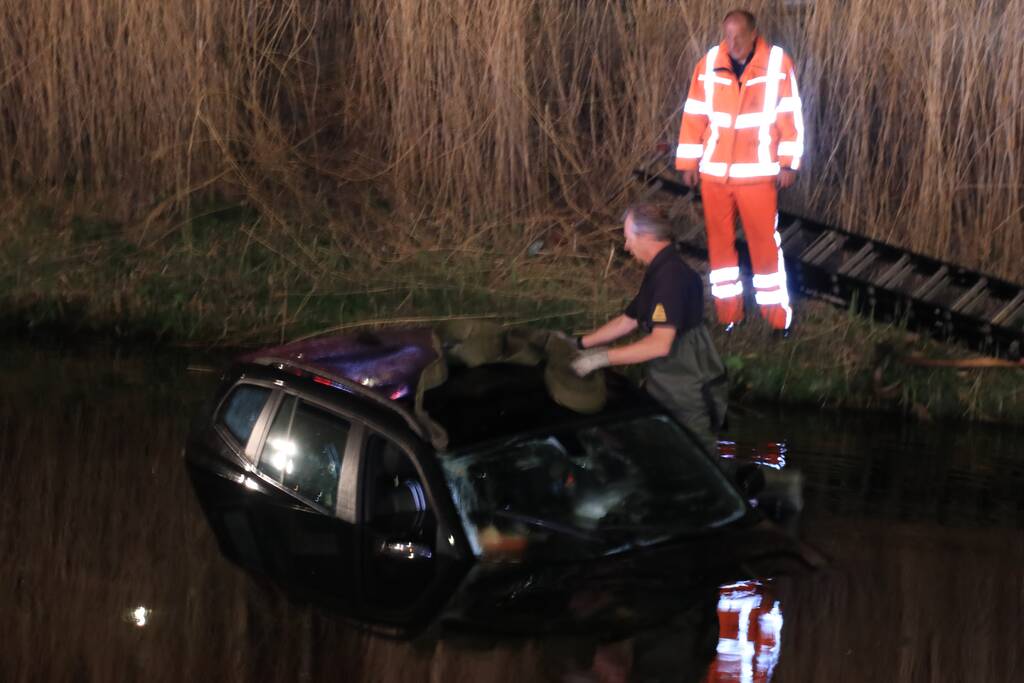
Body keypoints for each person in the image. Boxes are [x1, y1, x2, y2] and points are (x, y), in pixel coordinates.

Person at [675, 9, 804, 334]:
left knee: (764, 247)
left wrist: (789, 163)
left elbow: (791, 116)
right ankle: (729, 315)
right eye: (727, 35)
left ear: (753, 33)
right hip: (715, 175)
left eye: (739, 36)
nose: (732, 43)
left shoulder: (777, 63)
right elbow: (694, 114)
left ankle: (777, 319)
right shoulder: (708, 63)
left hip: (758, 175)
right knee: (719, 246)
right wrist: (688, 162)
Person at [569, 203, 727, 455]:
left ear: (646, 237)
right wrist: (579, 344)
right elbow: (628, 321)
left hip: (687, 394)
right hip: (666, 386)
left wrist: (600, 359)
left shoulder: (671, 278)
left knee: (695, 457)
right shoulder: (661, 270)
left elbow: (659, 343)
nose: (626, 246)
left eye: (628, 238)